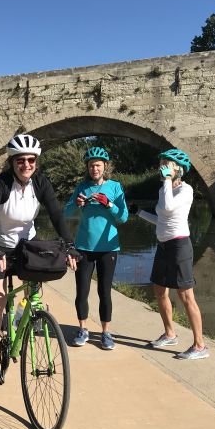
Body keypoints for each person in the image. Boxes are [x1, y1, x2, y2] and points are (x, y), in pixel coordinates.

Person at [0, 133, 77, 385]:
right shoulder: (0, 184)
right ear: (12, 162)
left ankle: (23, 317)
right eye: (20, 160)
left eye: (31, 160)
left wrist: (69, 245)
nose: (26, 165)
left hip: (26, 246)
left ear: (36, 162)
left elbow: (56, 214)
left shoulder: (40, 183)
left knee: (33, 291)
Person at [132, 148, 209, 359]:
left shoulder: (186, 190)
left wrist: (166, 180)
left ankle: (200, 346)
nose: (163, 166)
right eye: (162, 163)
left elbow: (167, 208)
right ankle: (170, 334)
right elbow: (162, 220)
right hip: (163, 245)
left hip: (179, 246)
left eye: (168, 164)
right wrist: (139, 213)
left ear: (180, 169)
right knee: (159, 290)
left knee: (185, 296)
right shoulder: (163, 190)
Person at [64, 147, 128, 350]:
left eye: (98, 165)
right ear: (87, 167)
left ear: (105, 166)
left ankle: (105, 333)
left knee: (104, 291)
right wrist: (77, 202)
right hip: (83, 247)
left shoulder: (115, 187)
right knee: (82, 291)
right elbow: (65, 213)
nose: (95, 169)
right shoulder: (82, 187)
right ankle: (82, 329)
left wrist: (109, 204)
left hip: (109, 247)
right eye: (91, 165)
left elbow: (124, 217)